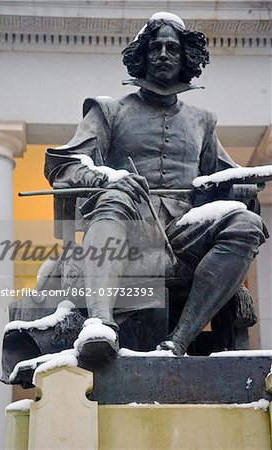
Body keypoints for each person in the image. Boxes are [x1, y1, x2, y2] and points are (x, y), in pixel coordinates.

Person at [44, 12, 268, 360]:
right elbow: (65, 165)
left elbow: (226, 177)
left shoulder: (202, 122)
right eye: (155, 47)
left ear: (185, 58)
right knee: (116, 194)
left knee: (246, 223)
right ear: (142, 56)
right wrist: (106, 177)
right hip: (126, 223)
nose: (163, 54)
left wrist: (240, 191)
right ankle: (100, 326)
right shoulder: (109, 111)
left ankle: (179, 340)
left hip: (181, 230)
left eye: (172, 48)